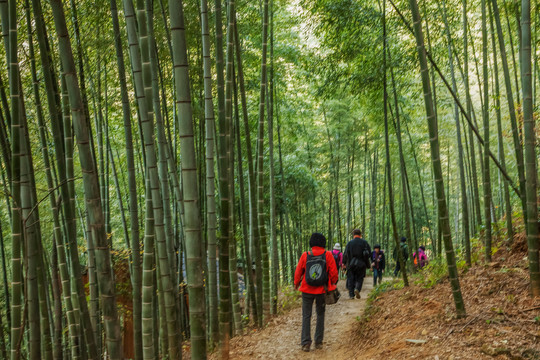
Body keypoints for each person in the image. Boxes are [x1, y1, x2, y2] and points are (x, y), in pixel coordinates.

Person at [294, 233, 338, 352]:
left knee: (306, 315)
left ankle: (305, 343)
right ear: (323, 243)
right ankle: (318, 342)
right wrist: (333, 283)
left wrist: (296, 283)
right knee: (320, 314)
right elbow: (334, 273)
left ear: (311, 243)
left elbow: (298, 272)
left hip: (306, 290)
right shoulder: (327, 255)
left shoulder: (305, 255)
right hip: (321, 291)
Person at [343, 229, 371, 299]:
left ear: (353, 235)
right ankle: (357, 289)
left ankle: (351, 295)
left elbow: (345, 254)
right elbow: (369, 253)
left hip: (351, 264)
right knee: (359, 278)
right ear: (360, 235)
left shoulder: (350, 243)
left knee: (350, 278)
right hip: (361, 264)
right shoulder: (364, 243)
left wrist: (343, 263)